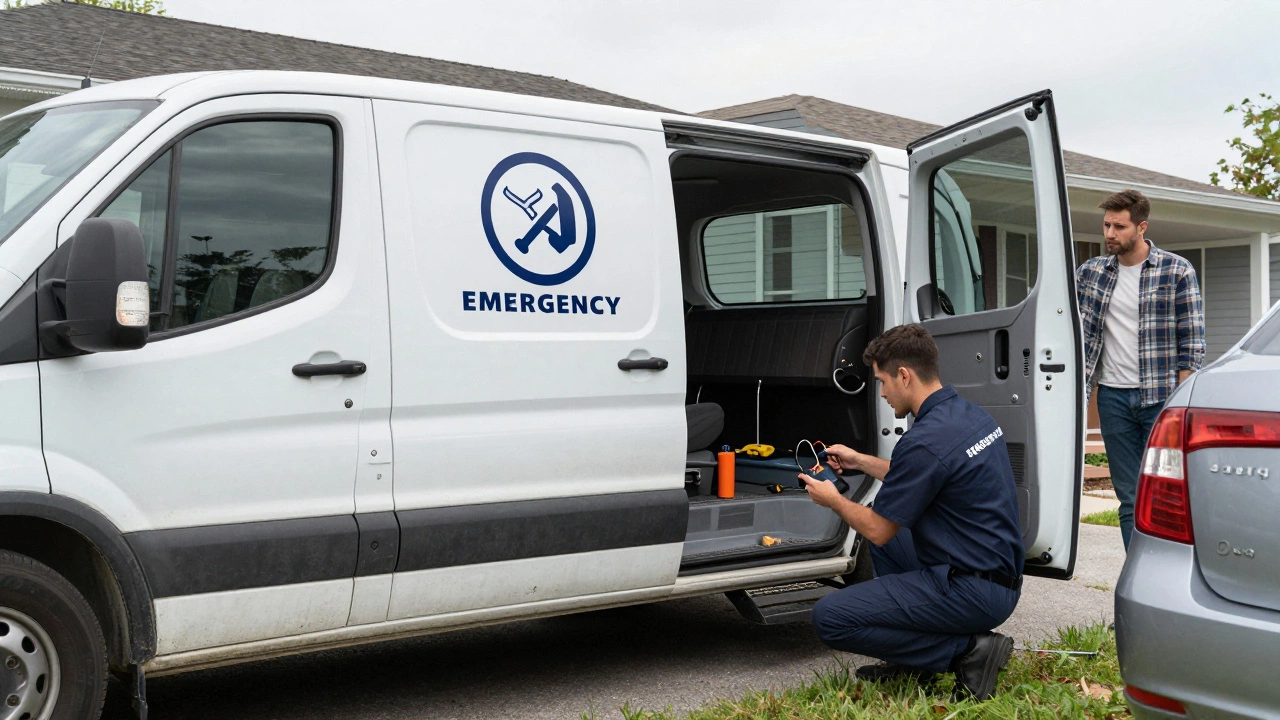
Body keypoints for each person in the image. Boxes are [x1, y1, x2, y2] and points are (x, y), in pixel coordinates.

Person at [799, 324, 1023, 701]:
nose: (883, 393)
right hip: (998, 577)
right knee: (892, 533)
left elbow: (879, 529)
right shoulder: (968, 415)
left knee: (830, 617)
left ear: (904, 375)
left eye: (883, 382)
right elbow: (925, 473)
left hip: (972, 591)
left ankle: (969, 653)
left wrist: (833, 499)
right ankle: (914, 662)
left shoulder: (923, 441)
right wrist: (861, 461)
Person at [1076, 189, 1204, 550]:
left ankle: (1171, 570)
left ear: (1141, 226)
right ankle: (1138, 573)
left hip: (1161, 400)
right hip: (1113, 400)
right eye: (1106, 225)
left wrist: (1180, 407)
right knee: (1130, 498)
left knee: (1167, 494)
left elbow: (1192, 345)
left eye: (1119, 226)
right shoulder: (1091, 273)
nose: (1109, 234)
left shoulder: (1177, 271)